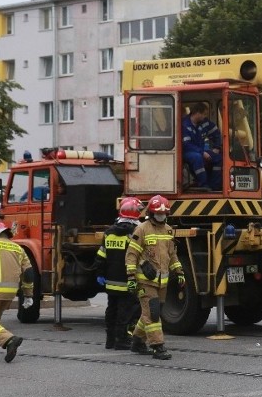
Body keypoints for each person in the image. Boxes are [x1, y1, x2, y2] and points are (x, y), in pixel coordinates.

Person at [125, 194, 185, 360]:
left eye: (164, 214)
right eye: (159, 214)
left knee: (149, 313)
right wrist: (131, 277)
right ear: (151, 214)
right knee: (153, 313)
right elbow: (131, 254)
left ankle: (137, 341)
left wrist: (179, 272)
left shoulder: (168, 230)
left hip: (162, 283)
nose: (162, 216)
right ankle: (158, 346)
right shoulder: (142, 229)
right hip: (145, 281)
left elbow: (172, 255)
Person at [0, 221, 33, 363]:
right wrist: (28, 295)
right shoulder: (18, 248)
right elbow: (28, 273)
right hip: (11, 292)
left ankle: (9, 340)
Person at [95, 197, 142, 350]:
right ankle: (121, 340)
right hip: (127, 280)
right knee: (126, 312)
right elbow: (137, 257)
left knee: (112, 310)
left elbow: (101, 256)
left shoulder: (109, 233)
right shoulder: (134, 233)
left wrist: (100, 273)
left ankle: (110, 341)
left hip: (111, 281)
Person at [182, 102, 222, 191]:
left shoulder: (205, 122)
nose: (205, 116)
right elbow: (187, 145)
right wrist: (202, 152)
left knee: (218, 158)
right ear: (197, 113)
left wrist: (217, 147)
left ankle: (214, 186)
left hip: (201, 150)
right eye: (204, 114)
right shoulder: (185, 125)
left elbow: (216, 133)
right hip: (187, 152)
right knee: (197, 157)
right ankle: (203, 185)